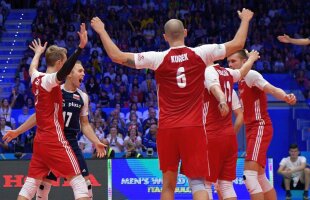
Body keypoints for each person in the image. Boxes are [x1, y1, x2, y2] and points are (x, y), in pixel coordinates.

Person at [91, 8, 253, 200]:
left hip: (167, 129)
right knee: (198, 182)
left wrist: (101, 31)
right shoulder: (201, 53)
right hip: (193, 128)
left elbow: (117, 56)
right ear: (185, 32)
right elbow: (238, 44)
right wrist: (245, 20)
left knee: (168, 185)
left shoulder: (158, 58)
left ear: (165, 37)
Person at [4, 23, 90, 200]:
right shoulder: (49, 81)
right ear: (59, 63)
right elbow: (61, 73)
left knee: (30, 185)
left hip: (40, 141)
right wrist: (80, 48)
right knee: (79, 183)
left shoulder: (36, 78)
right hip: (54, 139)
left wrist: (37, 54)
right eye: (64, 62)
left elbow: (32, 67)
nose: (66, 66)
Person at [4, 61, 106, 199]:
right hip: (55, 140)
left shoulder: (83, 97)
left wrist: (96, 141)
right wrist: (18, 131)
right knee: (43, 185)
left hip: (71, 142)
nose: (84, 74)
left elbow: (85, 124)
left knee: (86, 184)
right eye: (80, 71)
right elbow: (38, 116)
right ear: (69, 73)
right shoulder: (55, 90)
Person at [227, 49, 297, 200]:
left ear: (244, 62)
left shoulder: (251, 75)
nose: (230, 65)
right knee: (259, 177)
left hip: (260, 127)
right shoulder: (240, 80)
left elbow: (271, 89)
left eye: (233, 61)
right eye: (228, 62)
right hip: (252, 129)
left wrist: (286, 97)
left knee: (249, 176)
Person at [203, 50, 259, 200]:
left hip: (211, 135)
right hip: (228, 137)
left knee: (206, 184)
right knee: (226, 185)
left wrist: (221, 100)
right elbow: (241, 72)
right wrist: (251, 59)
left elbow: (215, 88)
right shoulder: (227, 72)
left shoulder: (207, 72)